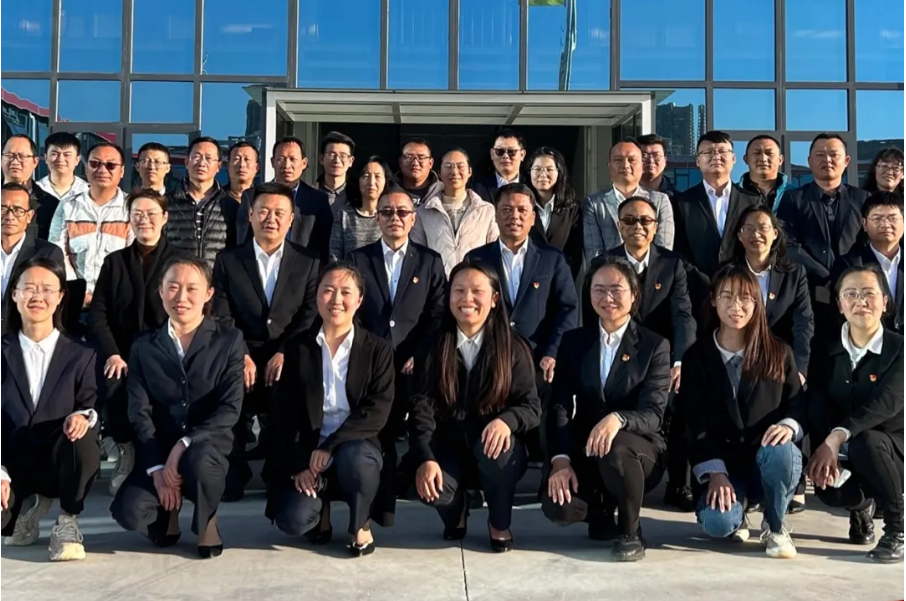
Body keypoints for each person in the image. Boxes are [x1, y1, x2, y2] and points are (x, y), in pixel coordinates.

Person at [110, 257, 244, 559]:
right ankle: (167, 510)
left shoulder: (229, 340)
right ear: (161, 291)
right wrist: (157, 468)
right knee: (129, 512)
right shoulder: (144, 345)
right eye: (172, 287)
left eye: (191, 288)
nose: (181, 297)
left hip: (206, 449)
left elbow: (229, 409)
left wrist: (184, 444)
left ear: (208, 293)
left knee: (199, 462)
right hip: (159, 448)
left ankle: (207, 520)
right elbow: (139, 413)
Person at [543, 256, 670, 561]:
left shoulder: (654, 345)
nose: (607, 297)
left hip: (637, 450)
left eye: (616, 289)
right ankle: (600, 512)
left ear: (634, 295)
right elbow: (559, 404)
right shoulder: (574, 341)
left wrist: (618, 419)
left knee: (617, 448)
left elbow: (654, 414)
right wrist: (560, 460)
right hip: (589, 447)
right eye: (599, 289)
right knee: (558, 505)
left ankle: (631, 531)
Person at [410, 261, 541, 552]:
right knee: (431, 485)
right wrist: (426, 457)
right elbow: (421, 408)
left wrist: (507, 421)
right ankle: (455, 511)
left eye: (476, 291)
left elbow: (531, 407)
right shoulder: (432, 346)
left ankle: (499, 522)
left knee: (499, 452)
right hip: (449, 446)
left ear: (494, 299)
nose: (467, 299)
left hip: (494, 449)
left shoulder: (513, 348)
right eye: (459, 291)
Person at [266, 263, 394, 556]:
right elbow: (285, 414)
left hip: (357, 444)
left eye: (345, 292)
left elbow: (377, 411)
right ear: (317, 297)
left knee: (357, 460)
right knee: (293, 520)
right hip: (309, 449)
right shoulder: (297, 348)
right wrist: (300, 464)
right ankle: (319, 507)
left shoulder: (378, 349)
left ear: (359, 300)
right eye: (328, 291)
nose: (336, 299)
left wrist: (331, 445)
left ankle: (360, 522)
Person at [683, 265, 806, 559]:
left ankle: (775, 526)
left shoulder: (779, 352)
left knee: (783, 451)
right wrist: (714, 472)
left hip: (765, 461)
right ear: (713, 300)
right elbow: (692, 420)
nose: (735, 306)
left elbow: (797, 404)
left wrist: (788, 426)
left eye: (744, 298)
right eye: (726, 296)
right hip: (723, 465)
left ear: (756, 302)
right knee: (719, 523)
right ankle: (737, 514)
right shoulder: (696, 356)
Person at [211, 182, 320, 501]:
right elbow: (222, 313)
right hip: (240, 351)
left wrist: (286, 351)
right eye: (264, 212)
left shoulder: (308, 260)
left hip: (287, 352)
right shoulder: (228, 260)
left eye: (279, 213)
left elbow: (311, 314)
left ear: (291, 219)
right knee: (229, 397)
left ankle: (278, 471)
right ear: (250, 215)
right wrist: (241, 354)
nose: (271, 219)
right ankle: (234, 471)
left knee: (287, 402)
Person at [348, 186, 446, 520]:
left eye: (402, 212)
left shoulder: (430, 261)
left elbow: (437, 315)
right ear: (377, 218)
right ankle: (380, 506)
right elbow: (352, 313)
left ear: (413, 218)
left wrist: (420, 353)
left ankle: (408, 484)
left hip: (414, 364)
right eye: (387, 212)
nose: (395, 218)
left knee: (419, 429)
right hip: (371, 364)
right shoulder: (359, 260)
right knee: (380, 433)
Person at [466, 182, 578, 461]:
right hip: (491, 354)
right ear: (495, 214)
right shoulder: (477, 258)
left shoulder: (552, 259)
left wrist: (553, 352)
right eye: (506, 210)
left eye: (521, 210)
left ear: (532, 217)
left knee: (548, 410)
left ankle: (550, 467)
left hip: (539, 356)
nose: (513, 216)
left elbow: (567, 309)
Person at [1, 257, 101, 561]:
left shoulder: (81, 353)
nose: (37, 296)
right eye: (29, 288)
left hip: (60, 462)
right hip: (11, 465)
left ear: (60, 298)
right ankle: (26, 509)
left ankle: (67, 521)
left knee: (83, 437)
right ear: (14, 294)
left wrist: (82, 417)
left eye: (47, 289)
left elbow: (90, 404)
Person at [87, 190, 183, 495]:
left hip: (166, 352)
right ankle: (125, 449)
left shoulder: (180, 261)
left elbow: (190, 312)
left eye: (151, 214)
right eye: (137, 214)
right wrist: (113, 353)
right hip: (123, 353)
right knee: (114, 385)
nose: (144, 220)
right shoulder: (114, 262)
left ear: (164, 218)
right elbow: (98, 313)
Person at [807, 265, 904, 563]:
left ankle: (897, 529)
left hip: (892, 449)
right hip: (845, 448)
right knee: (829, 489)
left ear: (885, 302)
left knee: (867, 442)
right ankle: (862, 507)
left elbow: (887, 403)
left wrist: (837, 436)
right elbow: (818, 401)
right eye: (850, 294)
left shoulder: (900, 349)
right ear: (839, 304)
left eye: (869, 293)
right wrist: (825, 447)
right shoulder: (825, 349)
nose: (860, 301)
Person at [605, 197, 695, 511]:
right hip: (618, 354)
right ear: (619, 226)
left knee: (684, 400)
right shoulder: (605, 263)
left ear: (656, 227)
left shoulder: (672, 264)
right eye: (630, 220)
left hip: (662, 356)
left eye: (645, 221)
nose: (638, 227)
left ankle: (680, 483)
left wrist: (680, 360)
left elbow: (682, 315)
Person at [730, 206, 814, 383]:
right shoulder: (728, 274)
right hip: (739, 362)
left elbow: (803, 323)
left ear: (775, 233)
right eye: (749, 229)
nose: (756, 234)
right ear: (739, 235)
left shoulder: (794, 274)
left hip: (781, 363)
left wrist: (799, 368)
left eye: (763, 227)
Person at [673, 131, 762, 298]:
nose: (716, 156)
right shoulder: (682, 202)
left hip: (743, 290)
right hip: (697, 292)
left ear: (733, 158)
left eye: (722, 151)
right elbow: (678, 250)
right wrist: (703, 282)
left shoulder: (752, 201)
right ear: (698, 161)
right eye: (708, 152)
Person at [48, 142, 133, 305]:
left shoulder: (131, 207)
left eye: (110, 165)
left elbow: (134, 257)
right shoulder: (68, 205)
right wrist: (79, 291)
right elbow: (57, 252)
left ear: (122, 171)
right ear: (86, 168)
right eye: (95, 164)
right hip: (74, 300)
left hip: (116, 301)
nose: (102, 170)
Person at [235, 137, 333, 262]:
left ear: (304, 163)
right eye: (281, 159)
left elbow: (323, 246)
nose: (287, 165)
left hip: (302, 268)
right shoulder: (252, 196)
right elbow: (243, 241)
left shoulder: (318, 200)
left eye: (293, 159)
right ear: (272, 162)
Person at [410, 148, 499, 277]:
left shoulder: (486, 210)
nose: (454, 171)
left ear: (469, 171)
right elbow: (417, 254)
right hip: (437, 284)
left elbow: (495, 251)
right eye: (448, 166)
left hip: (475, 282)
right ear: (439, 173)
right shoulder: (423, 212)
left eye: (460, 166)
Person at [583, 139, 675, 260]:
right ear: (609, 166)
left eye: (632, 160)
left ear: (642, 166)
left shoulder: (660, 201)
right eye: (618, 160)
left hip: (652, 271)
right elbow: (594, 255)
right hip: (608, 271)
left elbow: (663, 252)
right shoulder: (594, 204)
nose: (625, 165)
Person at [832, 191, 903, 335]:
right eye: (877, 218)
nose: (885, 224)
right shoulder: (849, 264)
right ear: (864, 224)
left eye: (892, 218)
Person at [165, 136, 237, 269]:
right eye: (196, 157)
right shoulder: (167, 203)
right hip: (178, 278)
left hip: (215, 278)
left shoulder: (230, 206)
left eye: (209, 158)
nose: (202, 163)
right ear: (186, 162)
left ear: (218, 166)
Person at [1, 183, 64, 334]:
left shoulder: (47, 253)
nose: (10, 216)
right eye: (2, 209)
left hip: (24, 336)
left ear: (29, 216)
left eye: (18, 210)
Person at [526, 146, 583, 279]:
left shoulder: (572, 208)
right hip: (526, 279)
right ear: (529, 172)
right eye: (537, 169)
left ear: (559, 172)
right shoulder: (521, 207)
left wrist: (564, 280)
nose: (543, 174)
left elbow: (575, 253)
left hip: (559, 278)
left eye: (549, 169)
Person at [329, 156, 391, 261]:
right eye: (366, 176)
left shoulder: (392, 215)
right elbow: (335, 256)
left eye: (377, 176)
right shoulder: (344, 214)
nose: (371, 182)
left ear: (386, 181)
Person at [2, 134, 59, 240]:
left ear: (35, 161)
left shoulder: (50, 205)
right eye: (9, 155)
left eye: (22, 156)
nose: (15, 161)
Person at [470, 129, 527, 203]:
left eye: (511, 152)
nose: (505, 156)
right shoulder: (477, 188)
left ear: (522, 155)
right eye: (500, 151)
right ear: (492, 154)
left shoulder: (532, 185)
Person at [36, 132, 90, 207]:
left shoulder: (88, 191)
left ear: (77, 160)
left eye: (67, 154)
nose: (60, 159)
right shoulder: (35, 190)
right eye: (55, 154)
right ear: (46, 158)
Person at [739, 135, 789, 212]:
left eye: (769, 153)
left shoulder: (795, 195)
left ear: (780, 160)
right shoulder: (733, 194)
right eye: (757, 153)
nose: (763, 159)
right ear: (746, 159)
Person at [316, 131, 355, 215]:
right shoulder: (310, 194)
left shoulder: (358, 196)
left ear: (351, 161)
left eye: (343, 155)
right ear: (321, 159)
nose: (337, 160)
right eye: (331, 154)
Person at [396, 138, 443, 205]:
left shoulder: (443, 191)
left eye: (421, 157)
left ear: (430, 163)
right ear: (400, 162)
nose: (415, 163)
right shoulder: (387, 189)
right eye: (409, 157)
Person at [637, 134, 678, 199]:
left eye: (656, 155)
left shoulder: (678, 200)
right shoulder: (624, 195)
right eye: (644, 155)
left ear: (665, 160)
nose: (650, 160)